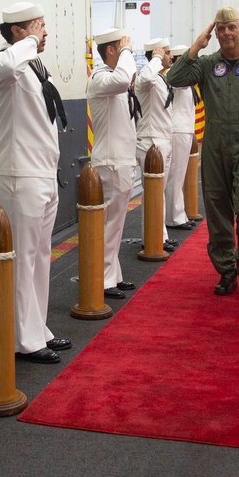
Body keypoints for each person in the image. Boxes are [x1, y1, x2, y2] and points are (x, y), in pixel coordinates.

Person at [166, 7, 239, 297]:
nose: (226, 34)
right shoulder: (208, 64)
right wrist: (197, 45)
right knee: (218, 211)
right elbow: (175, 77)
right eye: (220, 29)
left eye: (231, 27)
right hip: (215, 144)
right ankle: (226, 271)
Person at [0, 2, 72, 364]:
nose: (45, 33)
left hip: (42, 172)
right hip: (19, 174)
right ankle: (24, 338)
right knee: (23, 258)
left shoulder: (34, 67)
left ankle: (38, 328)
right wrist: (29, 40)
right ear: (18, 32)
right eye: (38, 26)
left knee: (40, 256)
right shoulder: (3, 65)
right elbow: (5, 64)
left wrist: (31, 40)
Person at [86, 28, 138, 300]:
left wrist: (127, 52)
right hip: (111, 162)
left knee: (115, 224)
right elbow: (122, 80)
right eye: (123, 46)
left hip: (121, 160)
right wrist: (128, 52)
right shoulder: (100, 77)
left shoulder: (113, 78)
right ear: (111, 50)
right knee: (109, 224)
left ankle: (112, 274)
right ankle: (103, 281)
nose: (128, 50)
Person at [134, 37, 177, 252]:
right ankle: (152, 238)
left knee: (158, 193)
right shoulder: (147, 77)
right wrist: (157, 58)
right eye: (166, 52)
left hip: (162, 140)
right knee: (153, 193)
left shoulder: (161, 79)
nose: (170, 56)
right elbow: (143, 79)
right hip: (151, 143)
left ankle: (160, 235)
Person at [165, 44, 198, 231]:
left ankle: (178, 213)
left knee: (179, 175)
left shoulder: (185, 79)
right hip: (177, 130)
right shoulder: (175, 78)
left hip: (184, 129)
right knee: (175, 176)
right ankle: (174, 217)